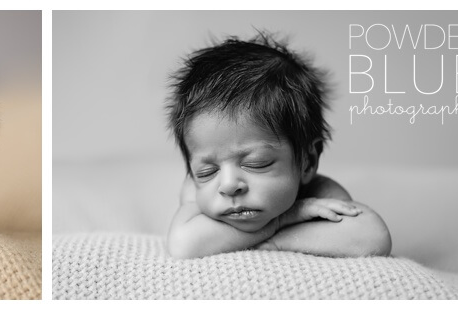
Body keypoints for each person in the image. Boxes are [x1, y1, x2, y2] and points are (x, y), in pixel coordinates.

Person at [165, 33, 391, 259]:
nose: (228, 185)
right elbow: (184, 246)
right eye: (207, 172)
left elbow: (373, 238)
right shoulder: (196, 193)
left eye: (256, 163)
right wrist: (284, 219)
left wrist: (276, 241)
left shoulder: (319, 193)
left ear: (307, 163)